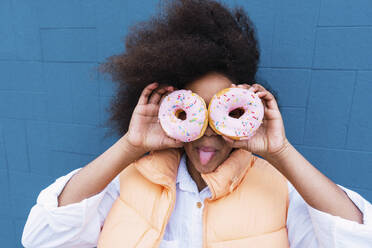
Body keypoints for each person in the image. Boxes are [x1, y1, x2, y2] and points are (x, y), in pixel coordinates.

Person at [22, 0, 372, 247]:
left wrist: (280, 151)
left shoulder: (279, 190)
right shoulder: (126, 181)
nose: (208, 132)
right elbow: (42, 238)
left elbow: (358, 240)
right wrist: (131, 146)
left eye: (226, 115)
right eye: (193, 113)